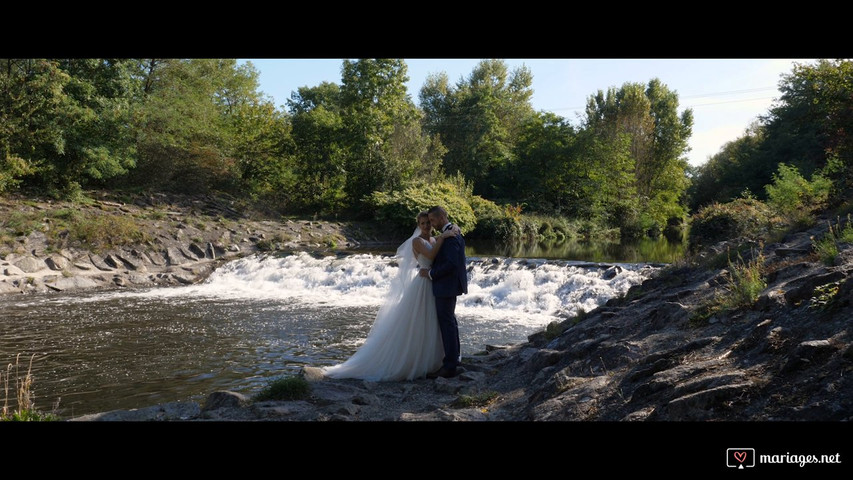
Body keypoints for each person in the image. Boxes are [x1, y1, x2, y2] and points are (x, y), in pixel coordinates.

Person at [322, 212, 461, 381]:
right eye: (423, 223)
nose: (426, 226)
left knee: (434, 323)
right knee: (418, 323)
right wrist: (444, 236)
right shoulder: (417, 241)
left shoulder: (435, 239)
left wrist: (445, 235)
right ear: (418, 225)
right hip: (423, 284)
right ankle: (417, 362)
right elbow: (431, 256)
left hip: (435, 283)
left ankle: (438, 360)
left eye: (428, 223)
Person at [419, 206, 468, 379]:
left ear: (441, 218)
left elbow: (452, 264)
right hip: (448, 285)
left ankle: (449, 366)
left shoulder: (451, 235)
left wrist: (431, 273)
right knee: (450, 322)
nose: (431, 224)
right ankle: (455, 359)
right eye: (427, 222)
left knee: (447, 324)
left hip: (446, 285)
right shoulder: (450, 232)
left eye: (432, 220)